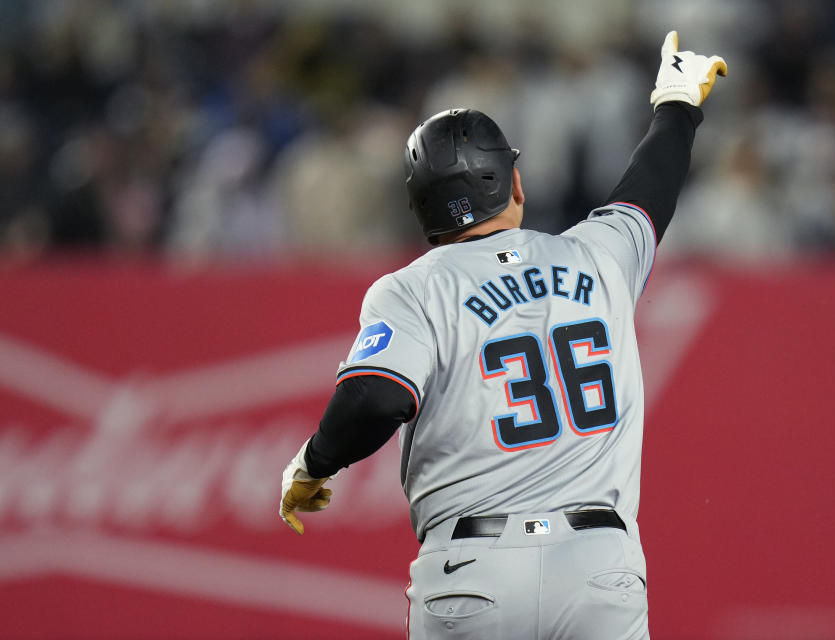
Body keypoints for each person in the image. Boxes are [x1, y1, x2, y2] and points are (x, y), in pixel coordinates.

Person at [280, 31, 726, 639]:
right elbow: (651, 187)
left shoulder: (413, 288)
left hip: (472, 572)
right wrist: (676, 102)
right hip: (598, 567)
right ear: (514, 184)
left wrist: (314, 465)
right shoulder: (597, 256)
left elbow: (377, 396)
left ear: (421, 209)